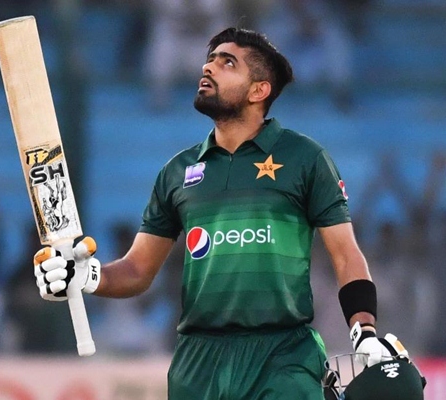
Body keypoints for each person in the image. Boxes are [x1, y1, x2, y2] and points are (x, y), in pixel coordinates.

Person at [32, 28, 407, 399]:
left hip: (283, 356)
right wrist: (88, 275)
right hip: (198, 365)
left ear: (259, 91)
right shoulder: (177, 171)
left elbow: (346, 254)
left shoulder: (305, 158)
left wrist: (364, 330)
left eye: (227, 63)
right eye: (209, 60)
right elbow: (137, 270)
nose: (208, 68)